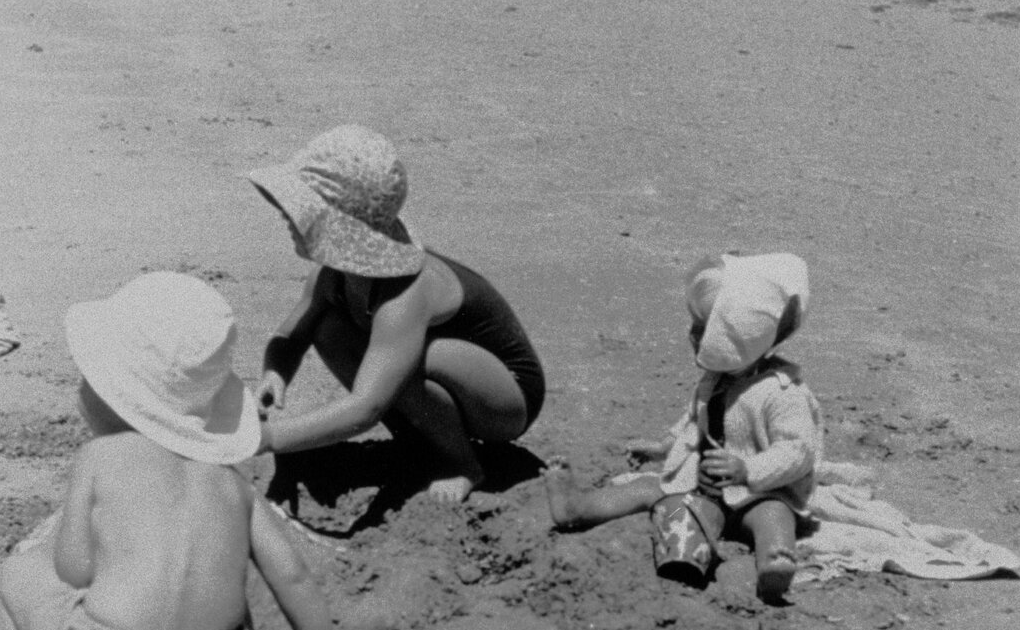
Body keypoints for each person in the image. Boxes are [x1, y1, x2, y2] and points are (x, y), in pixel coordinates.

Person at [0, 272, 360, 630]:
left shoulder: (100, 458)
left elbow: (74, 570)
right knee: (222, 577)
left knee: (14, 576)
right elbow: (292, 576)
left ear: (116, 394)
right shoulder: (233, 482)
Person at [248, 125, 546, 504]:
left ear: (336, 227)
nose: (286, 220)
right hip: (457, 381)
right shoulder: (333, 276)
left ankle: (462, 464)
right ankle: (419, 440)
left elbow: (366, 407)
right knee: (330, 330)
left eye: (298, 213)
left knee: (402, 365)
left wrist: (269, 440)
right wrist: (276, 373)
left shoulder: (406, 293)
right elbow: (292, 336)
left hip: (506, 400)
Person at [545, 252, 823, 604]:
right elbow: (694, 420)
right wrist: (665, 446)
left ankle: (775, 560)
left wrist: (747, 469)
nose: (691, 334)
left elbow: (798, 452)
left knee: (774, 515)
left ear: (739, 334)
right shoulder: (714, 380)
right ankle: (580, 508)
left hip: (758, 493)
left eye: (703, 328)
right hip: (704, 489)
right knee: (650, 489)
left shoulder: (784, 393)